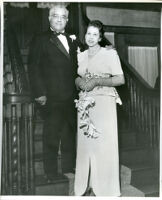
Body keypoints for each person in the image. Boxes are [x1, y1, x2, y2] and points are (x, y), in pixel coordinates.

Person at [28, 4, 82, 181]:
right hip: (50, 97)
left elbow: (86, 56)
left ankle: (68, 167)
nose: (59, 19)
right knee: (51, 134)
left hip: (71, 96)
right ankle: (50, 172)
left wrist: (106, 49)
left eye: (63, 17)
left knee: (69, 133)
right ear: (49, 18)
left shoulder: (73, 40)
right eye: (55, 16)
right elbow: (33, 67)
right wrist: (39, 93)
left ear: (67, 20)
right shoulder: (40, 39)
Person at [74, 20, 125, 196]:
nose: (91, 37)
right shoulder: (80, 55)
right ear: (85, 34)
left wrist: (97, 81)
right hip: (85, 103)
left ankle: (105, 188)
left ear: (100, 37)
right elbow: (77, 77)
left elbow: (120, 79)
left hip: (104, 103)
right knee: (87, 145)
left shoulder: (110, 54)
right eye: (89, 33)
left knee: (104, 145)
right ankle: (87, 185)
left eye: (95, 34)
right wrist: (79, 81)